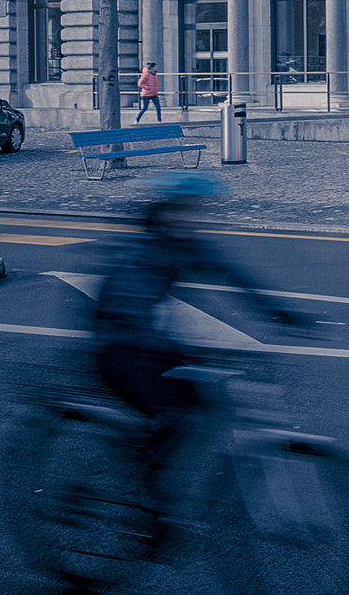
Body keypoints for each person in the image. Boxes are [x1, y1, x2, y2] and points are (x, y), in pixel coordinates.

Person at [91, 172, 304, 540]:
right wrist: (180, 351)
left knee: (192, 405)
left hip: (147, 345)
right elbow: (132, 313)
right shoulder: (145, 253)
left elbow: (234, 275)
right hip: (118, 350)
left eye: (200, 212)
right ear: (169, 214)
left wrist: (280, 312)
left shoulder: (185, 244)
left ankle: (147, 468)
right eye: (190, 212)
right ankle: (146, 487)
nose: (198, 219)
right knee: (180, 405)